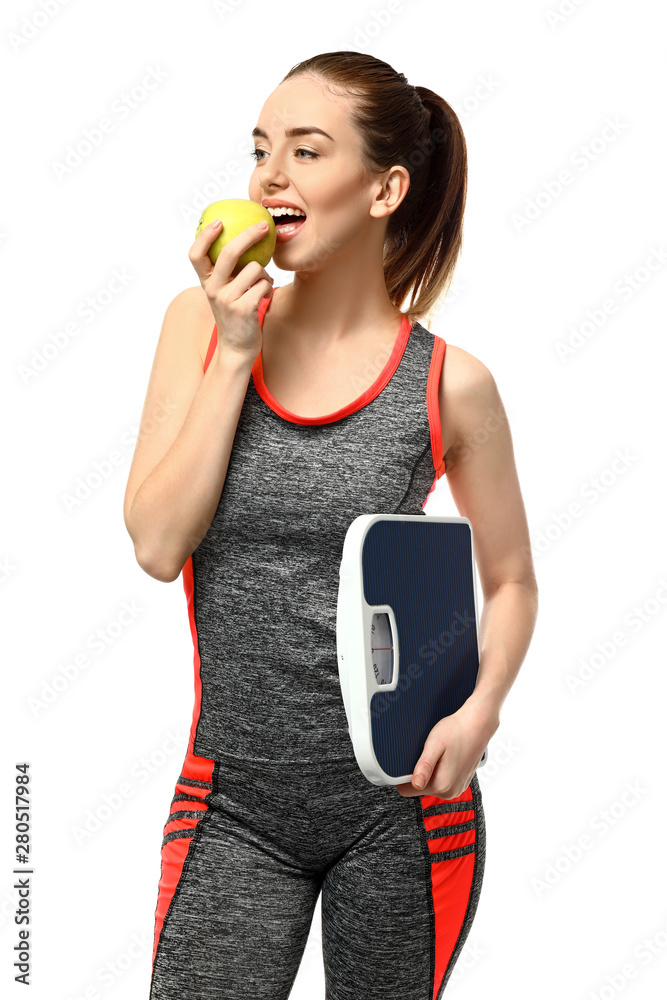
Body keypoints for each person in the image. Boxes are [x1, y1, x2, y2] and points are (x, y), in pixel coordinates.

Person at [123, 50, 538, 1000]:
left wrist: (478, 717)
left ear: (384, 187)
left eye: (306, 152)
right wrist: (233, 352)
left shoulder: (448, 383)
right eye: (261, 149)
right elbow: (155, 545)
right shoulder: (199, 324)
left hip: (404, 809)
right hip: (231, 801)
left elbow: (512, 580)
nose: (270, 175)